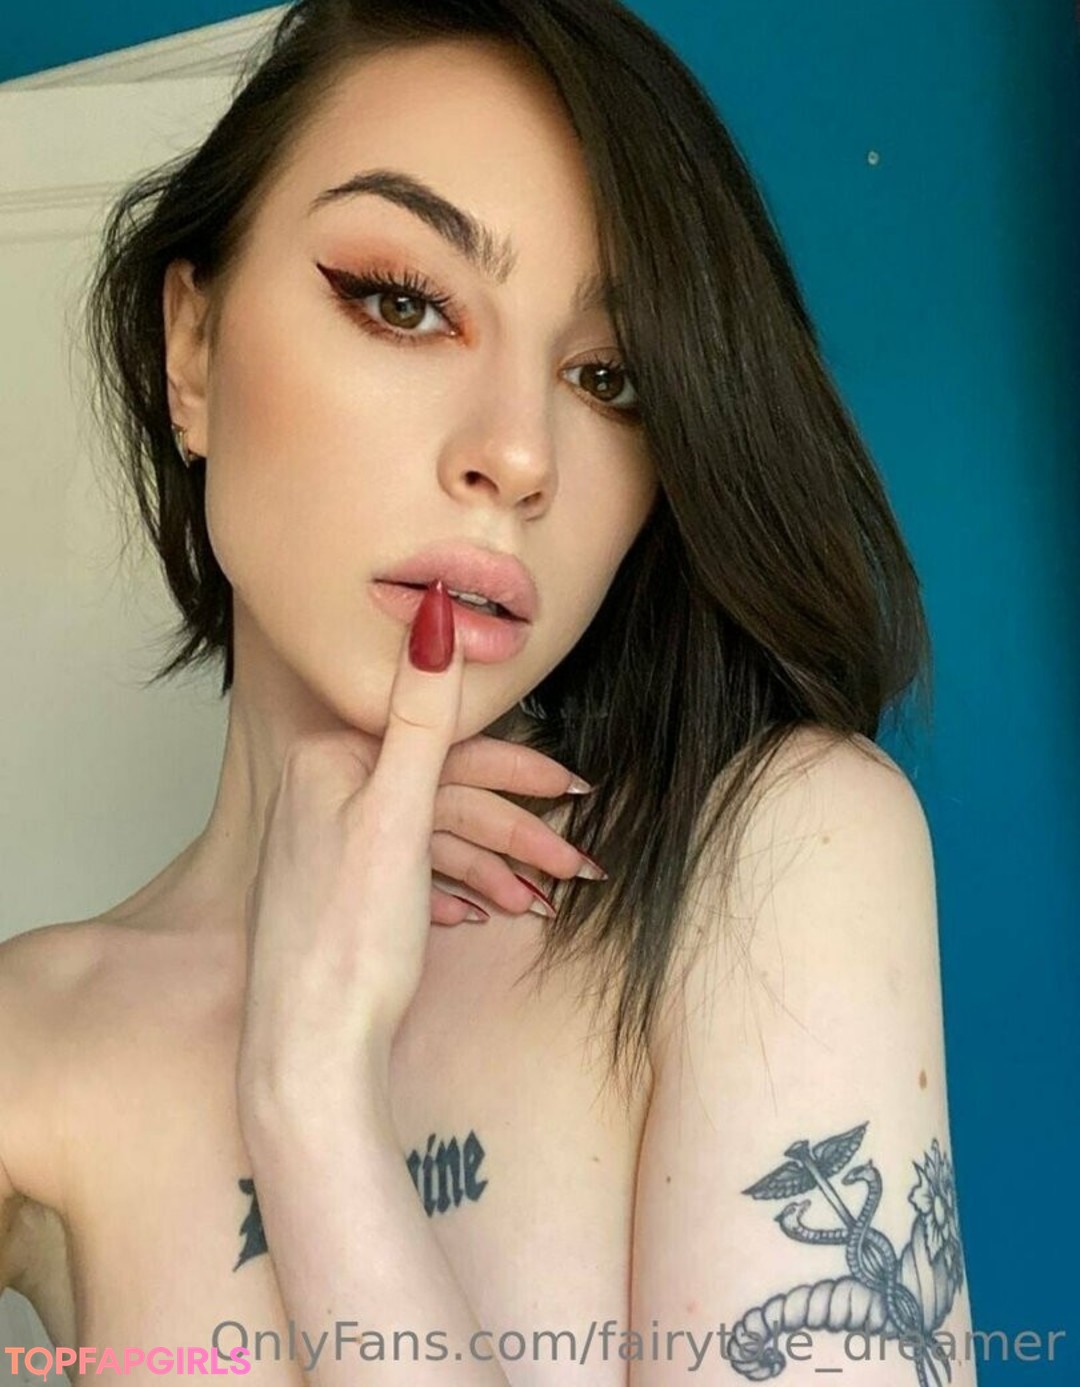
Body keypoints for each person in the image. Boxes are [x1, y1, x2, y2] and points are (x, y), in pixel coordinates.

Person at [0, 1, 977, 1383]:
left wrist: (311, 1094)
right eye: (403, 302)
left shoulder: (770, 860)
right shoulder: (35, 1041)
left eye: (608, 377)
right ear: (193, 350)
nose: (519, 454)